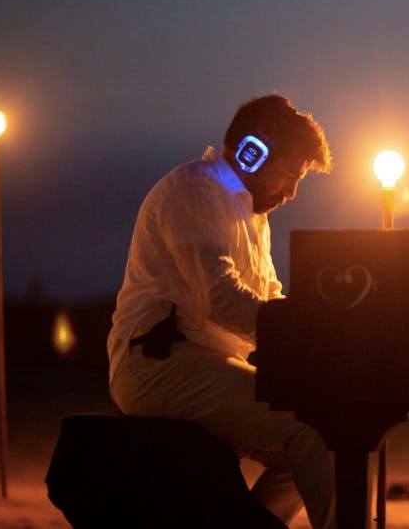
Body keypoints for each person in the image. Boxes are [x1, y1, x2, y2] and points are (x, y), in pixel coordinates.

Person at [107, 94, 336, 528]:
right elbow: (220, 296)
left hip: (200, 363)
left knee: (330, 432)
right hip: (158, 366)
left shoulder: (248, 214)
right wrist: (308, 337)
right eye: (290, 175)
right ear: (254, 151)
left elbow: (267, 298)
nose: (291, 192)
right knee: (315, 427)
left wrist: (323, 327)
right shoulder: (194, 188)